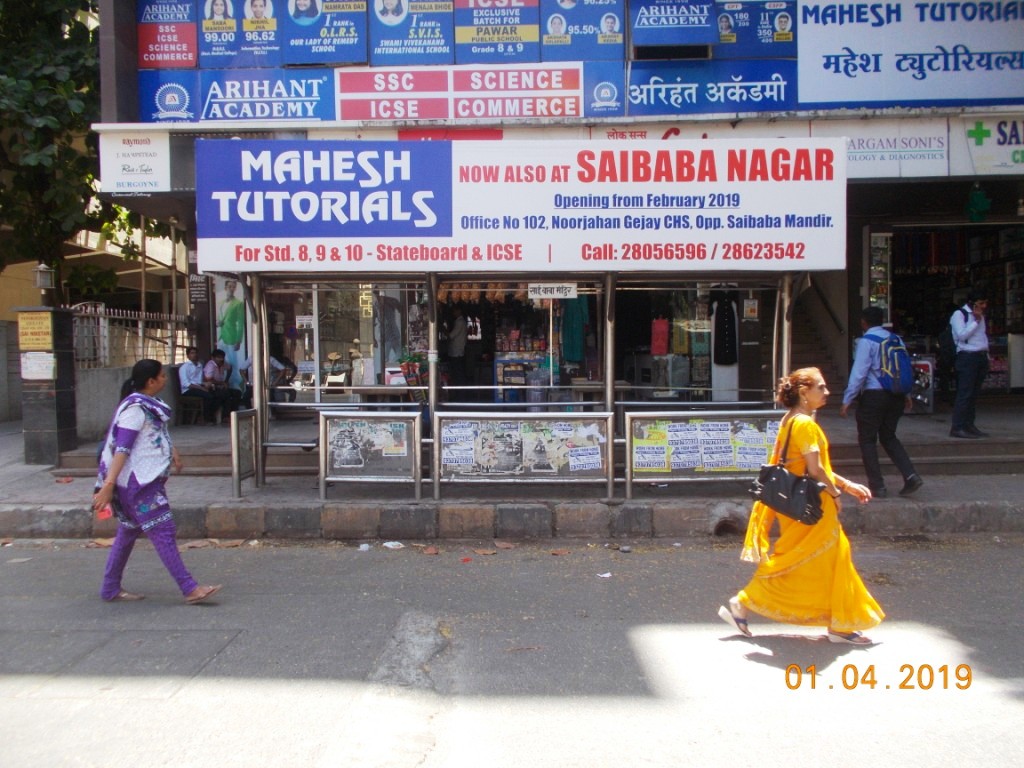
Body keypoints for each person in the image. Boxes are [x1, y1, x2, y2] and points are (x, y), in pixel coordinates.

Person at [718, 367, 884, 645]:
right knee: (818, 559)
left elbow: (810, 467)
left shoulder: (789, 420)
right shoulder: (805, 424)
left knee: (814, 561)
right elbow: (815, 469)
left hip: (797, 505)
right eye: (821, 387)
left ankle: (836, 622)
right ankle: (745, 602)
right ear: (804, 393)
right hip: (813, 505)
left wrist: (846, 486)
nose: (826, 392)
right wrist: (836, 493)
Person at [93, 359, 221, 605]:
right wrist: (108, 486)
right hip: (139, 484)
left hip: (136, 482)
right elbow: (122, 448)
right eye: (161, 376)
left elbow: (153, 436)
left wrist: (172, 450)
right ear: (150, 381)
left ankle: (110, 587)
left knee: (128, 532)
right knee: (163, 531)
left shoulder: (146, 407)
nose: (165, 379)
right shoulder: (135, 410)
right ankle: (189, 588)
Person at [840, 307, 922, 498]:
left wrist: (847, 399)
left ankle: (877, 485)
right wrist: (907, 394)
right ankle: (911, 475)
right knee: (889, 436)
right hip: (896, 396)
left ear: (864, 322)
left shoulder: (867, 342)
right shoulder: (896, 340)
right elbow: (903, 369)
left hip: (874, 396)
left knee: (868, 439)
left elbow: (859, 373)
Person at [950, 291, 990, 439]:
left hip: (980, 355)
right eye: (980, 303)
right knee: (964, 393)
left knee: (973, 394)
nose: (983, 306)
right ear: (972, 303)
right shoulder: (959, 315)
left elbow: (982, 336)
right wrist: (976, 321)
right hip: (967, 356)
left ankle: (969, 424)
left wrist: (987, 356)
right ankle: (958, 426)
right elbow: (962, 335)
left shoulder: (981, 316)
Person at [179, 346, 225, 426]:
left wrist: (206, 384)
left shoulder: (199, 365)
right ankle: (206, 419)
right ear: (188, 355)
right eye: (192, 353)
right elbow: (186, 384)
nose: (194, 355)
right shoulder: (184, 367)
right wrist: (202, 388)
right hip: (188, 390)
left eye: (196, 353)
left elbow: (199, 381)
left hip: (198, 387)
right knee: (208, 396)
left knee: (218, 394)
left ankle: (211, 415)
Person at [204, 348, 241, 422]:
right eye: (218, 357)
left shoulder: (223, 363)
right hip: (211, 387)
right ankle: (225, 416)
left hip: (221, 386)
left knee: (237, 393)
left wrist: (226, 380)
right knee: (225, 394)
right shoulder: (210, 365)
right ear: (213, 358)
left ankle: (234, 415)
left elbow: (230, 368)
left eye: (222, 357)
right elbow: (208, 379)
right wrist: (222, 383)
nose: (221, 359)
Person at [446, 305, 467, 388]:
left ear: (459, 311)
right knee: (458, 372)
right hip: (458, 350)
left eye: (455, 311)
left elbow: (451, 336)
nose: (453, 313)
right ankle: (459, 390)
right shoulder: (460, 321)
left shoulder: (460, 322)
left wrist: (443, 329)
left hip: (457, 352)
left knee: (458, 373)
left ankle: (460, 391)